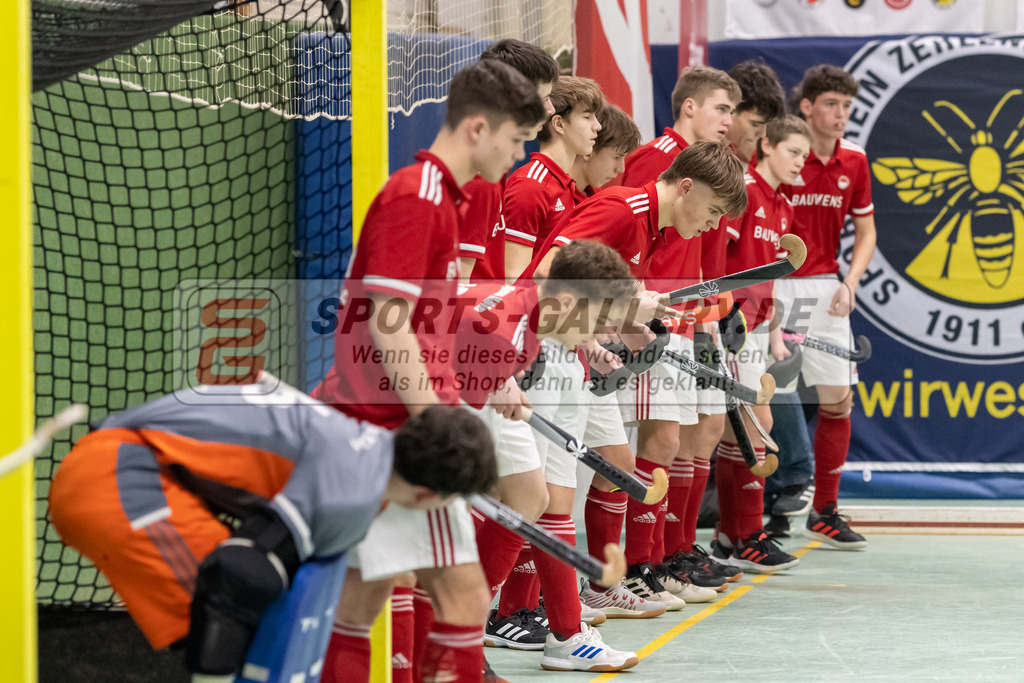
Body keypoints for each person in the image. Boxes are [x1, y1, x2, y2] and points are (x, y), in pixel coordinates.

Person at [311, 59, 546, 683]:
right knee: (420, 596)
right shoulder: (418, 196)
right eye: (516, 140)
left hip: (404, 429)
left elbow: (429, 326)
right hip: (393, 432)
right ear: (476, 128)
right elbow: (387, 323)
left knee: (388, 598)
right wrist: (437, 425)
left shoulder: (447, 198)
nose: (519, 156)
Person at [47, 382, 498, 680]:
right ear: (429, 497)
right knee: (225, 607)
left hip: (125, 464)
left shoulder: (364, 450)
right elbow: (239, 573)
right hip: (118, 478)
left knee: (249, 616)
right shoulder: (353, 490)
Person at [464, 239, 649, 672]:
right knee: (505, 500)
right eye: (598, 321)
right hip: (402, 411)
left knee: (530, 497)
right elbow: (468, 326)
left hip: (467, 401)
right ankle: (457, 639)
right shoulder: (512, 320)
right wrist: (494, 370)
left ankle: (462, 636)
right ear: (567, 300)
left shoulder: (539, 329)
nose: (603, 334)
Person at [611, 66, 743, 602]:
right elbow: (621, 235)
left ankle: (672, 552)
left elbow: (701, 247)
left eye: (733, 112)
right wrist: (633, 304)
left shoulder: (710, 170)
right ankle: (644, 562)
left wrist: (711, 298)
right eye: (721, 109)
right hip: (649, 319)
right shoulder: (653, 160)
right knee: (660, 439)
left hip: (687, 317)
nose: (728, 122)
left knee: (695, 433)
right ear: (689, 107)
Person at [776, 63, 876, 550]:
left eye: (847, 107)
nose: (841, 115)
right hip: (779, 289)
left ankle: (826, 510)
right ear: (808, 107)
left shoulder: (855, 160)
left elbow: (867, 231)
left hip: (826, 289)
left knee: (839, 401)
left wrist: (850, 281)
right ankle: (768, 516)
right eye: (832, 104)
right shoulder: (781, 156)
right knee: (774, 396)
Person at [712, 115, 811, 572]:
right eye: (793, 152)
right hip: (729, 327)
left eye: (805, 157)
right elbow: (717, 259)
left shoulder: (781, 206)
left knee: (744, 427)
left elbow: (767, 277)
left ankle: (733, 535)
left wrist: (773, 333)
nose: (800, 164)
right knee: (755, 424)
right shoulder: (744, 191)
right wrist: (720, 318)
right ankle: (746, 535)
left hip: (753, 329)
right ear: (767, 145)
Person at [459, 39, 559, 284]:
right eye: (543, 98)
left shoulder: (492, 173)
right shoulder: (480, 180)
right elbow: (452, 294)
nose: (551, 109)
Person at [503, 76, 604, 280]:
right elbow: (513, 276)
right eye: (587, 117)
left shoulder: (566, 186)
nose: (598, 126)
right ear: (559, 124)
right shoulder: (531, 185)